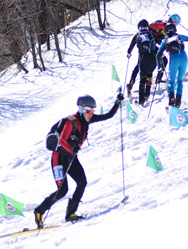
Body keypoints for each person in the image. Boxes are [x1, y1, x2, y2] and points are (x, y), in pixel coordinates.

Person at [35, 92, 123, 228]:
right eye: (89, 111)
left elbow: (108, 116)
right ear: (81, 109)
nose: (91, 114)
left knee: (82, 182)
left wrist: (117, 103)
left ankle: (70, 213)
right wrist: (72, 149)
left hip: (71, 157)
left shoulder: (87, 119)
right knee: (62, 190)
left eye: (93, 111)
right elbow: (62, 139)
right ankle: (39, 211)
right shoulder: (71, 121)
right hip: (59, 159)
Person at [156, 21, 188, 107]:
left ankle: (171, 100)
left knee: (171, 81)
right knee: (180, 80)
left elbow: (158, 54)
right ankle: (178, 101)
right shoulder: (179, 36)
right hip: (183, 58)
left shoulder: (165, 40)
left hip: (174, 59)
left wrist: (159, 66)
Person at [126, 19, 159, 105]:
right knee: (149, 75)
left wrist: (129, 53)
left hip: (143, 58)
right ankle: (147, 94)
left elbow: (131, 47)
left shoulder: (137, 35)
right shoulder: (151, 34)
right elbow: (159, 40)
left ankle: (141, 100)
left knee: (142, 79)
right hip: (152, 58)